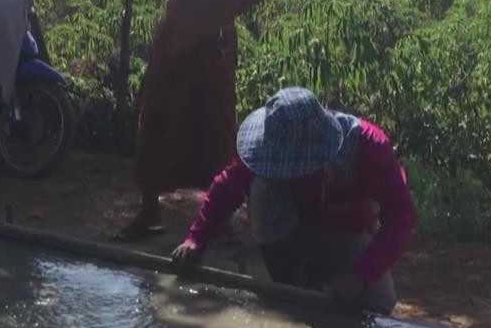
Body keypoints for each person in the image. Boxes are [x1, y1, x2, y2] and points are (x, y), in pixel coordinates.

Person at [116, 0, 273, 241]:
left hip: (211, 42)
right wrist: (182, 14)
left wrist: (218, 12)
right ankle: (149, 209)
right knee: (155, 119)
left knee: (213, 128)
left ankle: (216, 217)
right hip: (175, 36)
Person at [171, 88, 417, 315]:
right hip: (286, 227)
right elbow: (227, 185)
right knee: (260, 189)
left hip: (345, 230)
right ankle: (288, 280)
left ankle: (322, 277)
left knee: (379, 302)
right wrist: (196, 238)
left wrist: (362, 275)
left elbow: (401, 215)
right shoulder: (268, 145)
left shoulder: (369, 148)